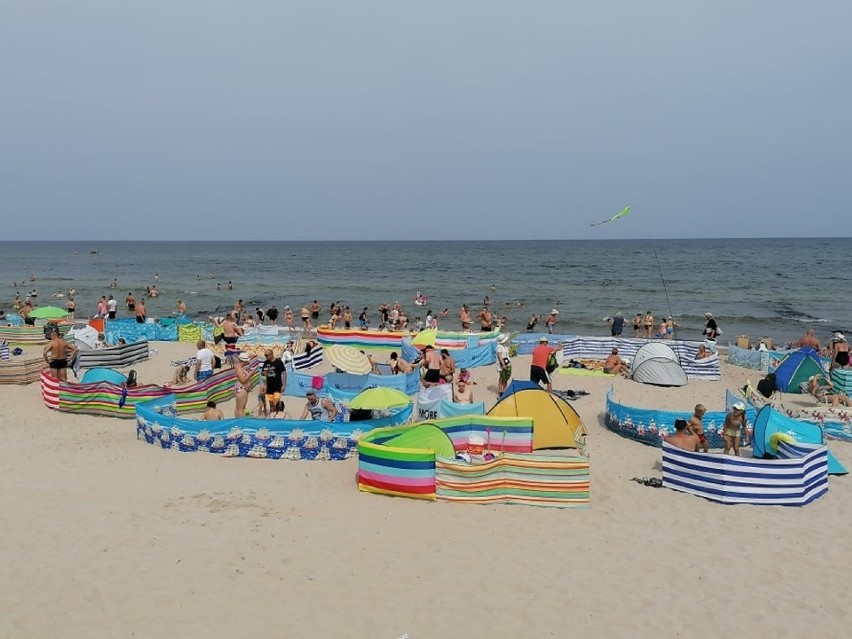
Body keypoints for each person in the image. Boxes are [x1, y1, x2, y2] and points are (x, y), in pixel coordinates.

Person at [233, 352, 253, 417]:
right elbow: (243, 380)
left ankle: (237, 422)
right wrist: (251, 373)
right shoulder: (239, 367)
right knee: (241, 408)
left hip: (241, 389)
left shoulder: (240, 366)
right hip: (241, 389)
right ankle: (241, 423)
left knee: (238, 407)